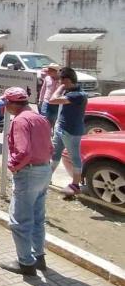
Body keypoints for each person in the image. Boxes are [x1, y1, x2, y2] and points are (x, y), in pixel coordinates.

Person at [0, 87, 53, 276]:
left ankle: (25, 263)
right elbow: (50, 146)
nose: (5, 106)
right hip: (44, 170)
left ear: (13, 104)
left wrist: (13, 166)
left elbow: (23, 151)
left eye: (6, 102)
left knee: (19, 221)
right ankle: (39, 257)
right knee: (37, 217)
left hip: (28, 173)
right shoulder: (39, 118)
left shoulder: (20, 121)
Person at [48, 67, 88, 196]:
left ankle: (75, 185)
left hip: (71, 131)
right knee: (55, 153)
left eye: (60, 81)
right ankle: (47, 177)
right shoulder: (71, 92)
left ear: (67, 80)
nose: (59, 83)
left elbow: (52, 100)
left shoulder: (77, 95)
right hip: (61, 128)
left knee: (74, 156)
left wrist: (60, 88)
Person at [38, 63, 60, 130]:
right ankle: (45, 132)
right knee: (44, 118)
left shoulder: (61, 80)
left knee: (55, 119)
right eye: (48, 70)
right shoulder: (47, 78)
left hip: (57, 103)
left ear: (55, 71)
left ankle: (53, 133)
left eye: (50, 70)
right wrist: (40, 100)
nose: (48, 72)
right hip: (46, 102)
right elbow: (43, 89)